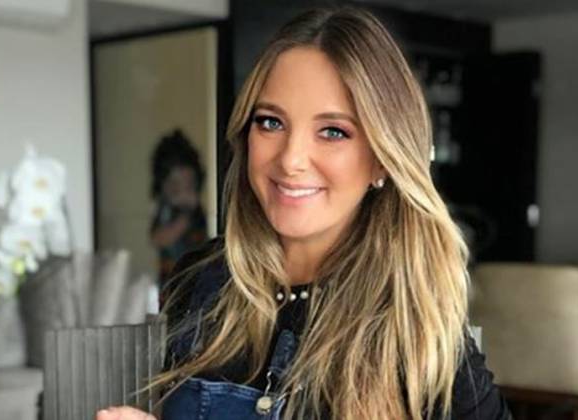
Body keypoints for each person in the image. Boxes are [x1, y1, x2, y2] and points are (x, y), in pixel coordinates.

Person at [97, 6, 510, 420]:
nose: (290, 160)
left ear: (383, 159)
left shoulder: (415, 325)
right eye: (270, 122)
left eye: (333, 131)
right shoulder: (201, 281)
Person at [149, 129, 207, 287]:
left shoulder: (196, 212)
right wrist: (183, 220)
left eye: (188, 186)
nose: (182, 193)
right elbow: (158, 238)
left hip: (195, 276)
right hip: (170, 278)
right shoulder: (167, 210)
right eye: (175, 187)